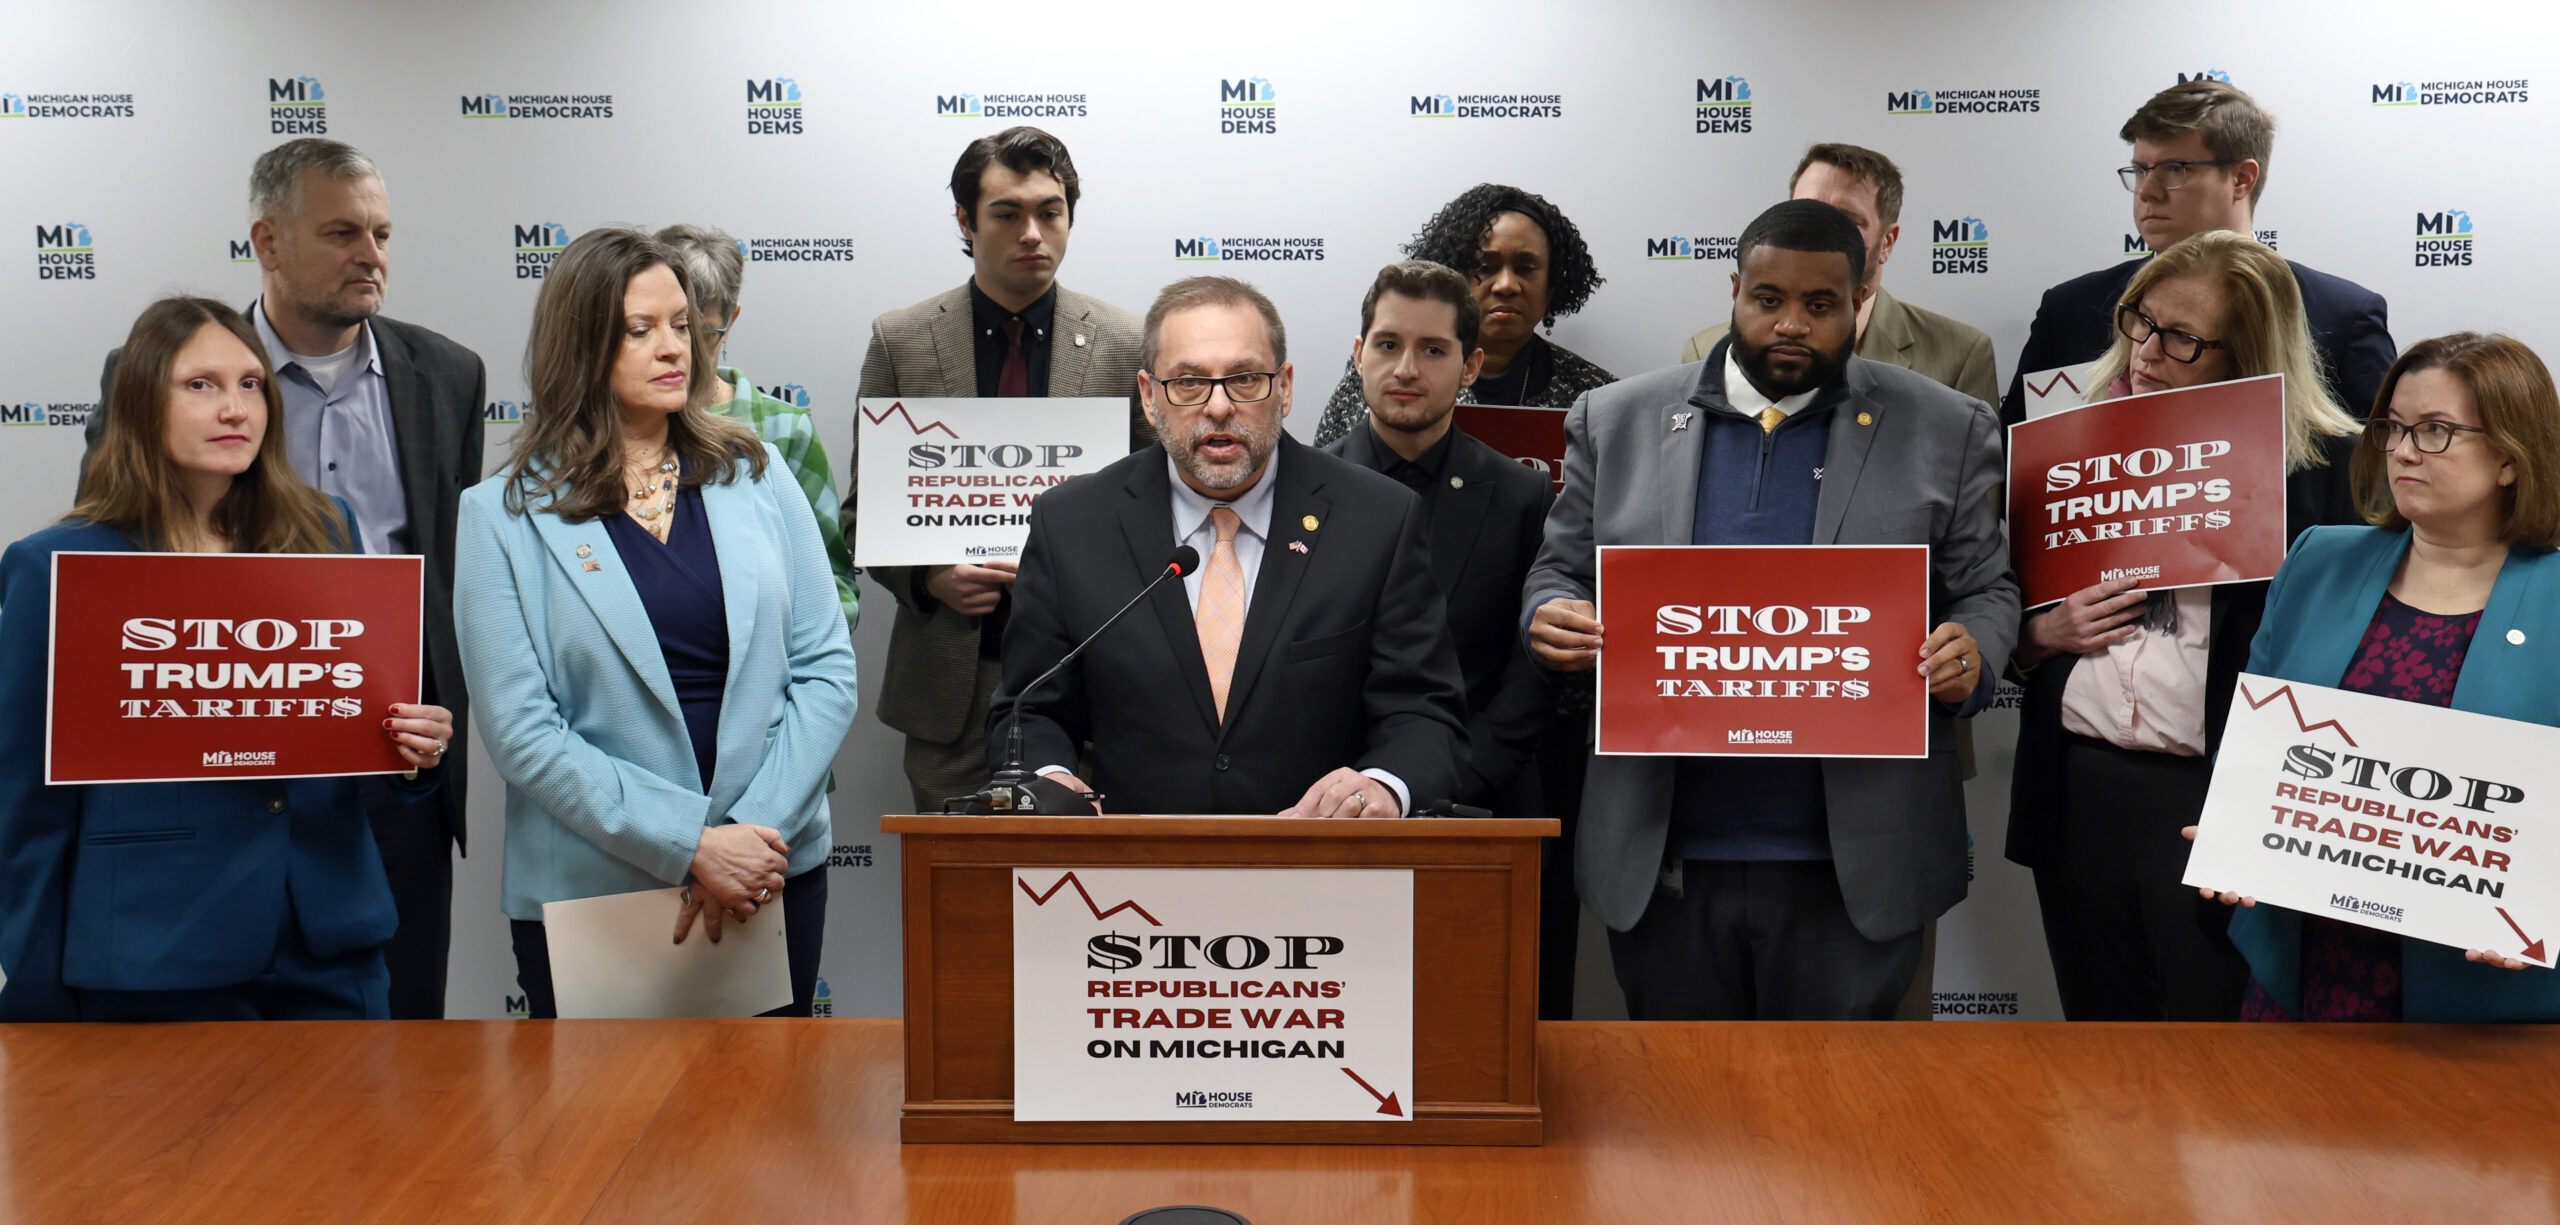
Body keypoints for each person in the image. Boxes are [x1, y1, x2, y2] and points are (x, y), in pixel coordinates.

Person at [1523, 199, 2017, 1021]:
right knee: (1680, 1126)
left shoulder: (1946, 425)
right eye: (1768, 299)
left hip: (1854, 866)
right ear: (1735, 289)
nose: (1792, 324)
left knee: (1841, 1135)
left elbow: (1989, 588)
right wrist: (1553, 615)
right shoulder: (1617, 420)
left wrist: (1976, 646)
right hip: (1665, 856)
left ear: (1860, 301)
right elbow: (1558, 573)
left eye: (1821, 305)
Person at [78, 138, 485, 1020]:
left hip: (397, 761)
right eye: (342, 233)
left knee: (402, 1054)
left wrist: (420, 738)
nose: (371, 256)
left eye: (381, 233)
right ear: (266, 242)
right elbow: (120, 573)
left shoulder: (449, 375)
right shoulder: (167, 378)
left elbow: (451, 563)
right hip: (222, 772)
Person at [0, 296, 454, 1020]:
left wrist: (410, 751)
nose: (235, 408)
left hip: (330, 942)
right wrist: (34, 995)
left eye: (250, 384)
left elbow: (354, 720)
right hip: (155, 954)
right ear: (142, 403)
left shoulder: (326, 529)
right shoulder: (59, 566)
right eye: (201, 385)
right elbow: (26, 806)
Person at [455, 229, 857, 1018]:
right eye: (640, 330)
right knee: (604, 1136)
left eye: (681, 324)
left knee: (766, 1126)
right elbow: (522, 732)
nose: (673, 347)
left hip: (767, 871)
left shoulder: (759, 474)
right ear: (579, 344)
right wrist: (690, 844)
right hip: (594, 890)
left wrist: (747, 835)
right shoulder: (497, 516)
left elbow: (826, 670)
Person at [2004, 231, 2364, 1022]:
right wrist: (2036, 637)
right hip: (2077, 793)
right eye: (2141, 321)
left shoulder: (2328, 473)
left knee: (2211, 1070)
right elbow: (1989, 595)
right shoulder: (2062, 445)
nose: (2146, 352)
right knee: (2101, 1056)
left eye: (2183, 340)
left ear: (2251, 356)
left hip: (2214, 797)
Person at [991, 276, 1468, 817]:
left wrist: (1382, 786)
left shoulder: (1378, 518)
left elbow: (1423, 712)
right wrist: (1053, 783)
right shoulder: (1074, 523)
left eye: (1244, 379)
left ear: (1284, 388)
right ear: (1150, 398)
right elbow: (1026, 709)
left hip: (1325, 871)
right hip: (1128, 875)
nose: (1218, 407)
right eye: (1189, 383)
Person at [2193, 332, 2560, 1022]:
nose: (2402, 449)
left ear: (2511, 457)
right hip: (2304, 972)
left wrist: (2543, 898)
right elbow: (2254, 743)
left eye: (2436, 431)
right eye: (2393, 426)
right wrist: (2233, 825)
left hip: (2481, 1005)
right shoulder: (2316, 559)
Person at [845, 126, 1148, 813]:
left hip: (1094, 684)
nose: (1033, 232)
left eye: (1052, 210)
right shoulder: (903, 341)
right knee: (955, 909)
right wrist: (928, 578)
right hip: (953, 686)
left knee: (1082, 909)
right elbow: (863, 516)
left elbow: (1159, 514)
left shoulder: (1128, 343)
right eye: (1008, 214)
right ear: (965, 220)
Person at [2000, 80, 2395, 430]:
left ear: (2242, 178)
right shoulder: (2069, 309)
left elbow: (2376, 481)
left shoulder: (2343, 317)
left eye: (2174, 170)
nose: (2147, 191)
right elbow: (2013, 469)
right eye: (2140, 171)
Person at [1322, 260, 1555, 817]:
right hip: (1321, 803)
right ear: (1358, 355)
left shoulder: (1524, 494)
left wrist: (1450, 780)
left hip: (1479, 803)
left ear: (1470, 364)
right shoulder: (1298, 495)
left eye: (1432, 350)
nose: (1405, 369)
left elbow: (1531, 676)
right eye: (1386, 345)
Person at [1679, 143, 1997, 406]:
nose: (1818, 233)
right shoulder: (1706, 350)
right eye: (1805, 211)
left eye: (1847, 220)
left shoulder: (1961, 355)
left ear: (1887, 242)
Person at [657, 223, 858, 632]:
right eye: (669, 329)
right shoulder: (606, 428)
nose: (680, 352)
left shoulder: (784, 429)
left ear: (731, 321)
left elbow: (834, 586)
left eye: (702, 333)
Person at [1311, 184, 1613, 443]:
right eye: (1485, 267)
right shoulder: (1382, 374)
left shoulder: (1595, 396)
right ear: (1453, 276)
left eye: (1525, 269)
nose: (1506, 285)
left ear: (1553, 286)